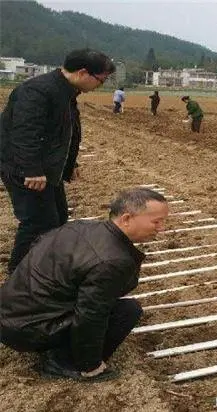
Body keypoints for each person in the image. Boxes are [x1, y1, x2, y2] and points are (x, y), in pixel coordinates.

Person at [0, 188, 169, 382]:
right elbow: (91, 315)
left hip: (10, 314)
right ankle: (63, 362)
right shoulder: (113, 260)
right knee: (128, 311)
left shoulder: (80, 227)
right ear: (126, 218)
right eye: (156, 221)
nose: (161, 228)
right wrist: (90, 365)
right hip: (28, 330)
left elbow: (37, 245)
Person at [0, 48, 115, 274]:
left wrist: (71, 164)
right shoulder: (38, 91)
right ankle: (19, 274)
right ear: (83, 73)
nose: (100, 86)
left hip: (45, 169)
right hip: (25, 169)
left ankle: (44, 266)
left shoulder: (65, 92)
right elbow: (24, 133)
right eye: (101, 81)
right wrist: (31, 169)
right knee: (37, 222)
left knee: (58, 218)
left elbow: (62, 133)